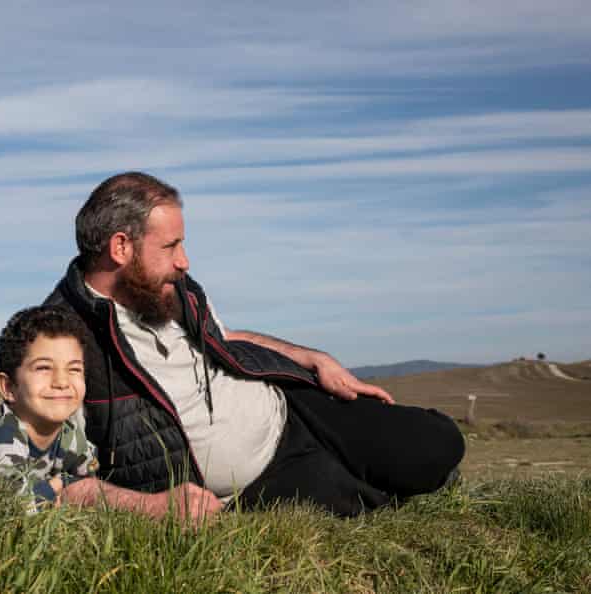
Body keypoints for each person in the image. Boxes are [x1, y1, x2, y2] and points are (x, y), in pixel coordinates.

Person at [45, 172, 465, 517]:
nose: (184, 261)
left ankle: (403, 466)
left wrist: (312, 359)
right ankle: (382, 480)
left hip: (293, 407)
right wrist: (154, 507)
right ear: (120, 247)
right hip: (256, 483)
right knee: (364, 497)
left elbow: (224, 339)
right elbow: (48, 480)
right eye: (171, 245)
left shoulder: (166, 287)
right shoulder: (57, 340)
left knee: (439, 442)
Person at [0, 304, 222, 522]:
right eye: (43, 368)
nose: (62, 382)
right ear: (8, 388)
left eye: (75, 369)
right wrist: (61, 487)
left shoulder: (70, 433)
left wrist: (66, 486)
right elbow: (16, 510)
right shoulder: (4, 440)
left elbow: (88, 479)